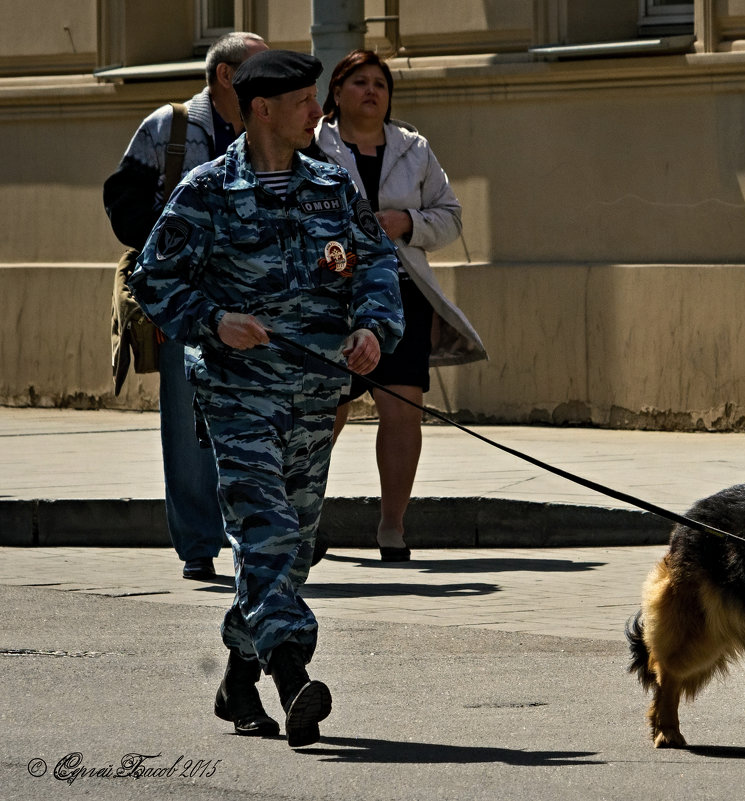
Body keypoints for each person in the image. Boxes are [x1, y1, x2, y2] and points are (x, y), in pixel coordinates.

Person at [128, 49, 404, 748]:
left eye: (316, 98)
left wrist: (372, 328)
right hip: (237, 394)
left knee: (291, 546)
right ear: (262, 110)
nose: (318, 111)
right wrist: (214, 320)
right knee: (267, 530)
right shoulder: (208, 190)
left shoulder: (329, 187)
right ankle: (291, 677)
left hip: (314, 396)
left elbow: (374, 262)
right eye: (304, 101)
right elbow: (152, 277)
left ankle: (236, 677)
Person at [103, 32, 269, 581]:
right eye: (259, 66)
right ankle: (198, 543)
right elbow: (123, 205)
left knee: (260, 416)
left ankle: (264, 532)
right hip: (186, 301)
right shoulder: (169, 126)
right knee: (187, 423)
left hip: (258, 298)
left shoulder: (270, 125)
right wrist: (180, 245)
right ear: (227, 76)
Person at [313, 50, 487, 562]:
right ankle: (303, 516)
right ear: (338, 91)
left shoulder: (414, 148)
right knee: (328, 411)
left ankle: (392, 527)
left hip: (401, 293)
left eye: (381, 85)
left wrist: (407, 222)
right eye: (360, 82)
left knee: (402, 410)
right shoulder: (313, 143)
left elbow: (450, 217)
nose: (372, 92)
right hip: (332, 294)